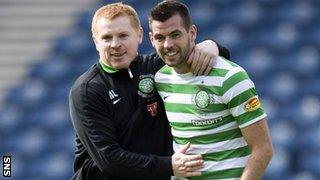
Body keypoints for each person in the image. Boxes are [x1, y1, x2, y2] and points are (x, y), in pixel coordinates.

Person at [69, 2, 230, 180]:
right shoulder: (87, 90)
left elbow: (208, 57)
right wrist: (168, 166)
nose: (115, 44)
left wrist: (212, 46)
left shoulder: (158, 68)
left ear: (139, 35)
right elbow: (109, 159)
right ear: (95, 41)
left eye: (123, 35)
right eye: (107, 38)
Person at [150, 1, 273, 179]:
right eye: (160, 37)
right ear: (151, 39)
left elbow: (263, 149)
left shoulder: (230, 78)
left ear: (192, 33)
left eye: (175, 35)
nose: (168, 44)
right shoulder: (160, 79)